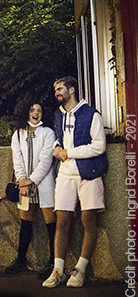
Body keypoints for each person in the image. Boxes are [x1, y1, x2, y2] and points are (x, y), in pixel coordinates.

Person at [42, 77, 107, 288]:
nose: (56, 92)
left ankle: (80, 270)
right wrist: (56, 147)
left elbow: (99, 147)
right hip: (65, 175)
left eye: (60, 88)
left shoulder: (91, 114)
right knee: (62, 221)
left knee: (88, 222)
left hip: (89, 174)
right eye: (55, 89)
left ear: (72, 90)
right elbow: (61, 139)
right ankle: (57, 270)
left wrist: (68, 152)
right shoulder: (58, 115)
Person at [5, 103, 57, 275]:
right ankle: (21, 260)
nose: (36, 113)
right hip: (24, 185)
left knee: (51, 223)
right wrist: (22, 180)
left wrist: (30, 181)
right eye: (32, 110)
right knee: (25, 223)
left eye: (39, 111)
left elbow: (46, 161)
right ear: (26, 112)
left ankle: (53, 264)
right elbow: (17, 160)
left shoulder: (48, 132)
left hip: (44, 183)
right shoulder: (17, 135)